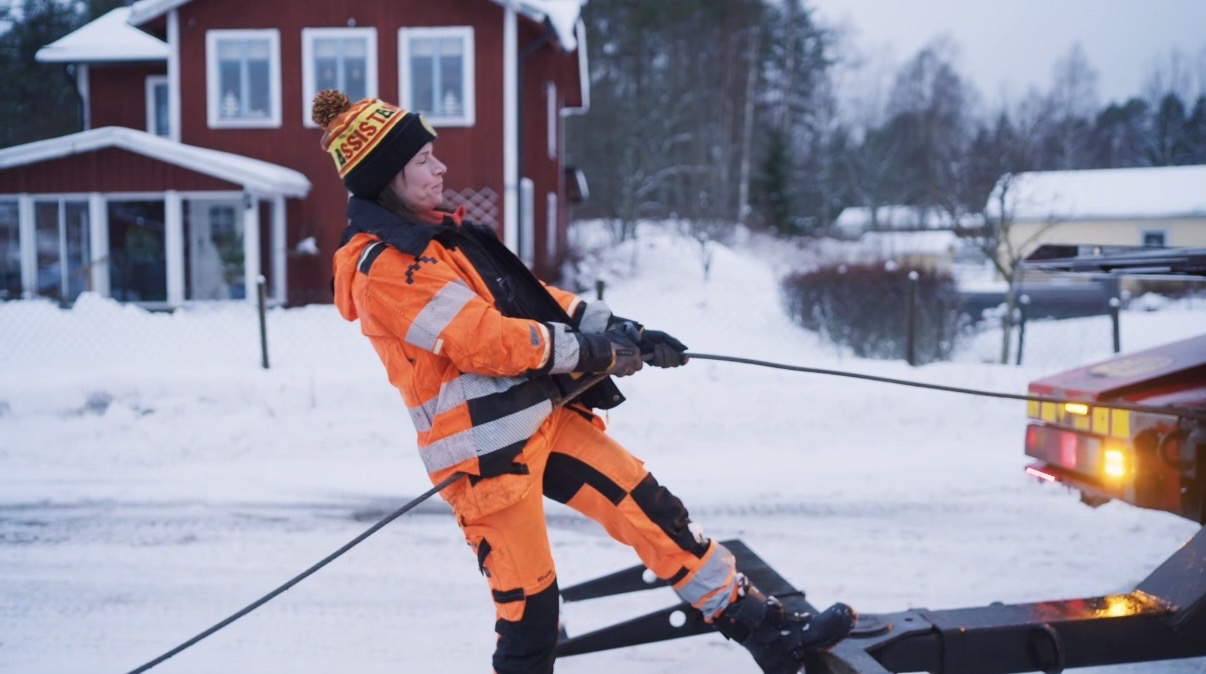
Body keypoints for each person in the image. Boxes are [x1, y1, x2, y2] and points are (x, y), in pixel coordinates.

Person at [311, 89, 856, 674]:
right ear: (386, 177)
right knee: (531, 611)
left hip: (538, 418)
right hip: (485, 457)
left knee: (655, 513)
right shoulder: (385, 269)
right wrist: (594, 352)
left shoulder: (436, 241)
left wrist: (622, 329)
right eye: (423, 159)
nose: (440, 166)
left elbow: (529, 303)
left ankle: (769, 636)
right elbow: (487, 341)